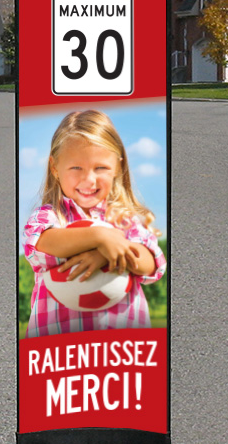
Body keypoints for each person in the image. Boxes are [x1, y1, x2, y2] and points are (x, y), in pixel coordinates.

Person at [23, 110, 166, 338]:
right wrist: (100, 237)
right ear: (54, 168)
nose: (89, 179)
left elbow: (150, 263)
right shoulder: (49, 215)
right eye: (76, 168)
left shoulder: (125, 220)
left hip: (122, 346)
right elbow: (43, 243)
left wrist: (106, 255)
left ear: (118, 167)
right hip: (60, 344)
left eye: (100, 168)